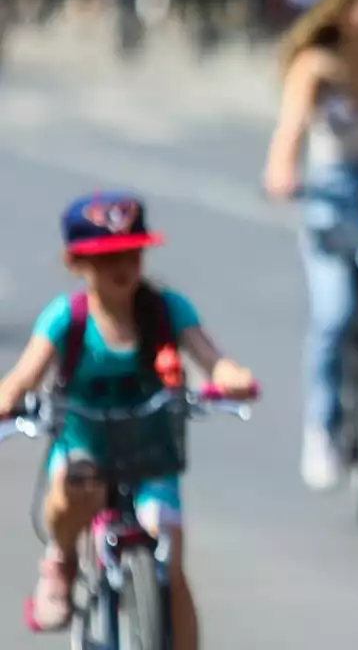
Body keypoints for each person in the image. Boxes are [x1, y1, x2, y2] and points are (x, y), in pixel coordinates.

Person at [0, 192, 257, 649]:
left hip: (151, 457)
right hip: (83, 450)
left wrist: (231, 376)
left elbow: (208, 356)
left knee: (169, 554)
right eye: (105, 258)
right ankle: (60, 559)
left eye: (130, 253)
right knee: (77, 486)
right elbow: (22, 376)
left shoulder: (165, 310)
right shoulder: (68, 318)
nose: (122, 266)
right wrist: (8, 399)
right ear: (76, 262)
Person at [262, 0, 358, 492]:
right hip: (331, 201)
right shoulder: (318, 66)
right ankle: (322, 428)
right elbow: (291, 128)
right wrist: (281, 172)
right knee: (336, 315)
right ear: (341, 13)